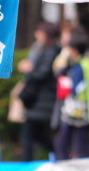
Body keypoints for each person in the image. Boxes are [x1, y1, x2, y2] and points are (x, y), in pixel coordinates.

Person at [54, 31, 89, 160]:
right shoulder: (72, 64)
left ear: (74, 50)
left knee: (80, 146)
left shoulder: (85, 64)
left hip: (81, 111)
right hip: (71, 109)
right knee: (62, 144)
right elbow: (57, 71)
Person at [18, 21, 60, 161]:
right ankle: (60, 154)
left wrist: (29, 69)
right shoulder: (44, 49)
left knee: (28, 133)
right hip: (40, 100)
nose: (36, 35)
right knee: (37, 134)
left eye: (39, 32)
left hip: (42, 100)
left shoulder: (50, 50)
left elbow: (43, 73)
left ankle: (27, 163)